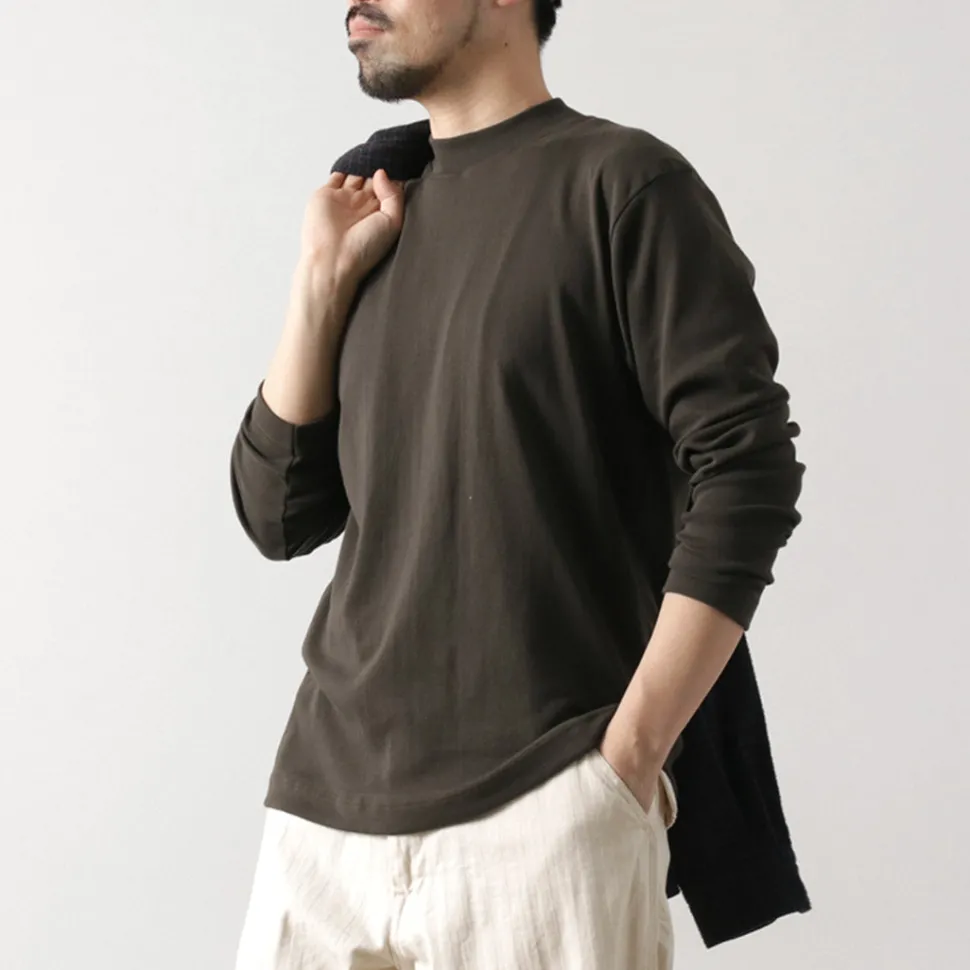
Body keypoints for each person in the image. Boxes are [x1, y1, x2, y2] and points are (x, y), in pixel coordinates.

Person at [228, 1, 812, 967]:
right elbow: (274, 514)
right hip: (322, 823)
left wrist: (629, 759)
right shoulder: (377, 207)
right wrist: (320, 282)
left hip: (543, 811)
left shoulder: (621, 185)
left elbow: (747, 468)